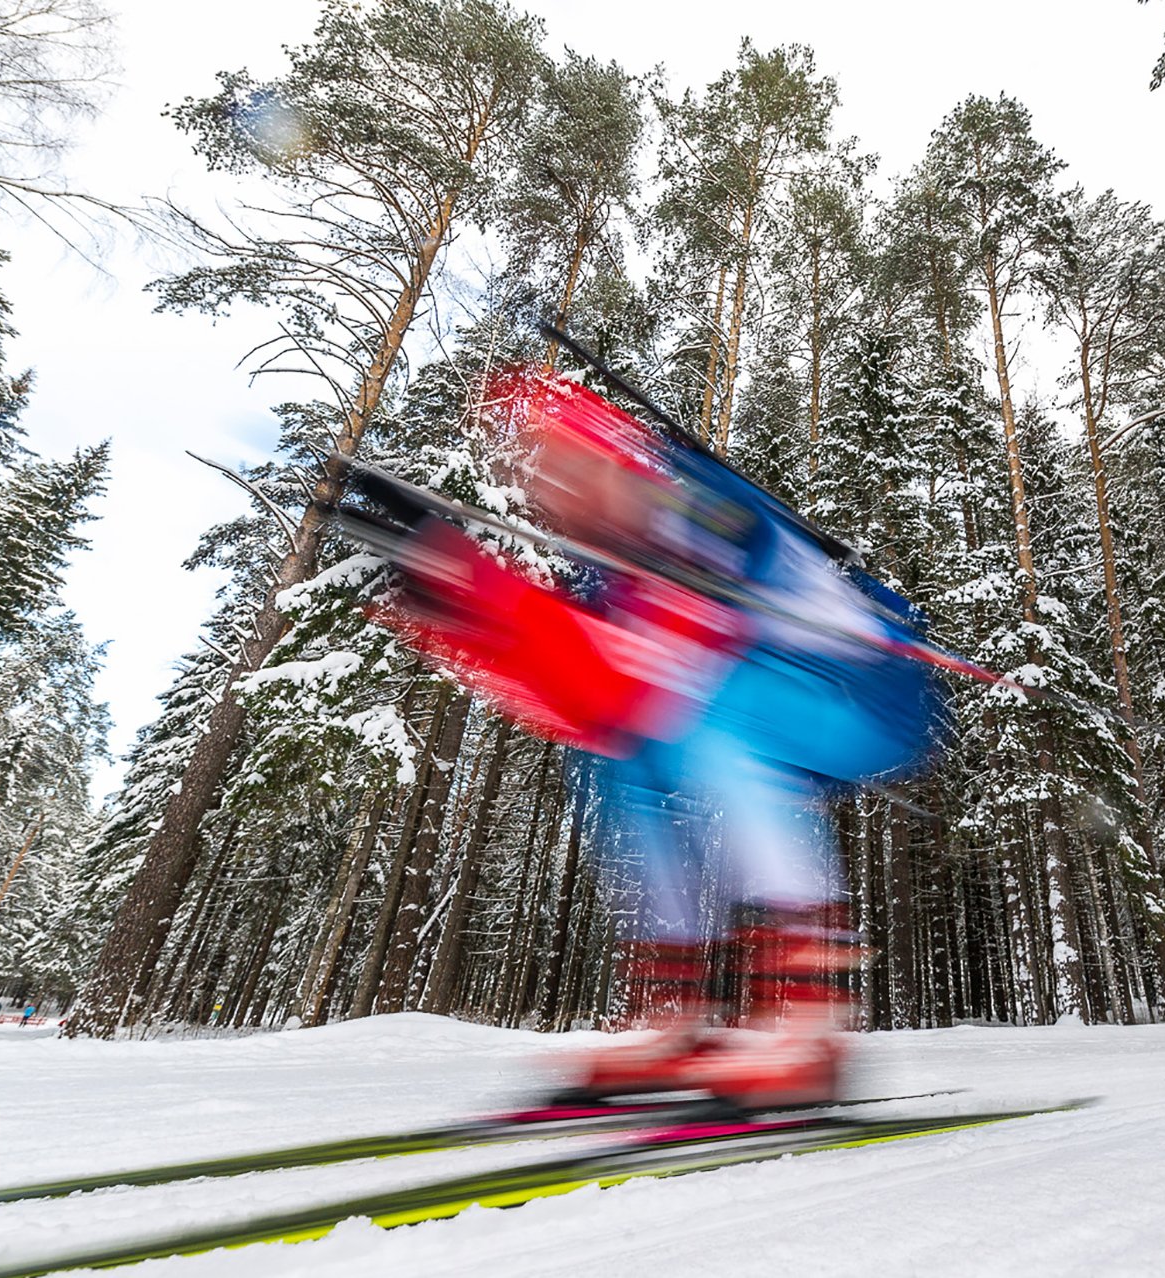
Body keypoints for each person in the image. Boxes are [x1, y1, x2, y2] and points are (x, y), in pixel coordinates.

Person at [344, 370, 943, 1108]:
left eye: (570, 469)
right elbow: (591, 697)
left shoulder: (694, 517)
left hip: (863, 690)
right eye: (541, 479)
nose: (554, 497)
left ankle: (805, 1022)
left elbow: (672, 663)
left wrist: (479, 588)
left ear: (611, 461)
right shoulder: (615, 576)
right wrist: (451, 594)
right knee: (617, 749)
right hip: (758, 690)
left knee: (706, 710)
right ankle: (676, 1016)